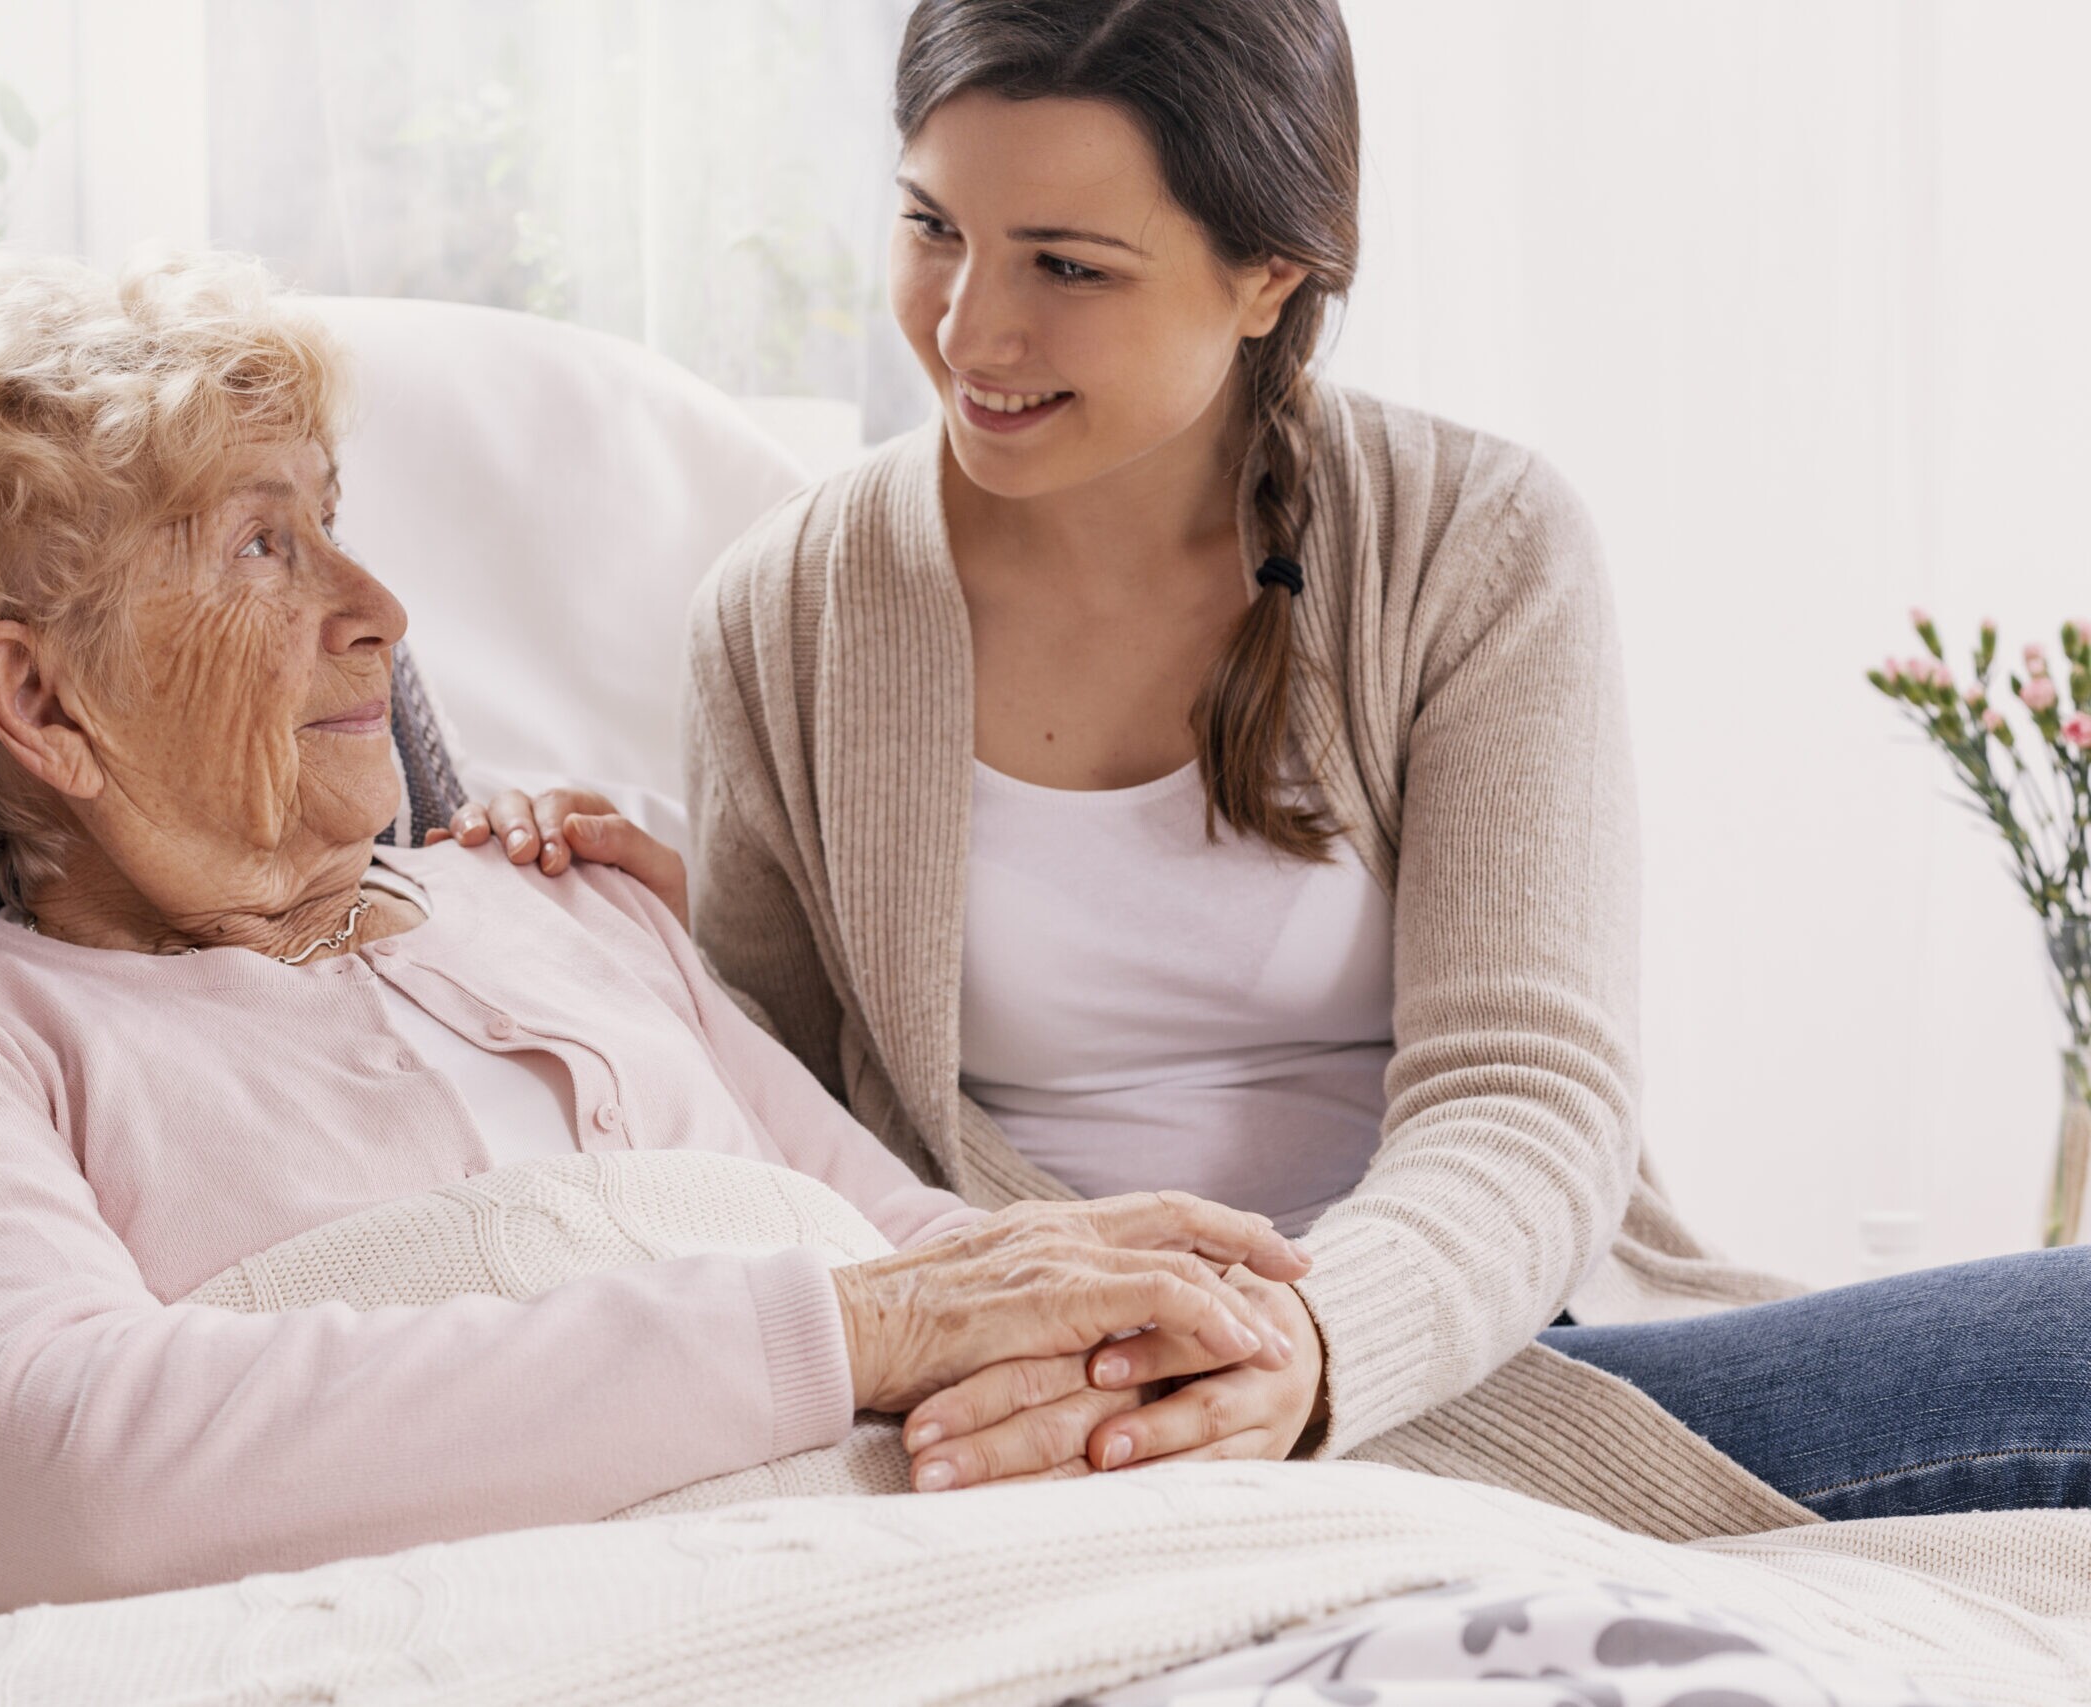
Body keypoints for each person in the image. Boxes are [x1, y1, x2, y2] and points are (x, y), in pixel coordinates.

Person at [449, 0, 2091, 1525]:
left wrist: (1306, 1361)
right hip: (1042, 1391)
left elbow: (1529, 1095)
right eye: (935, 225)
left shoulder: (1477, 546)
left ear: (1274, 278)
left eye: (1069, 266)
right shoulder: (782, 613)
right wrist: (628, 955)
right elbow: (791, 1150)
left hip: (1458, 1342)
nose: (968, 327)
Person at [0, 249, 1316, 1620]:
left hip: (996, 1588)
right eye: (260, 547)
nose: (380, 609)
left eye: (333, 525)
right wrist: (842, 1333)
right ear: (42, 700)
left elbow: (907, 1251)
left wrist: (1163, 1343)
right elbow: (74, 1473)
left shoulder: (573, 901)